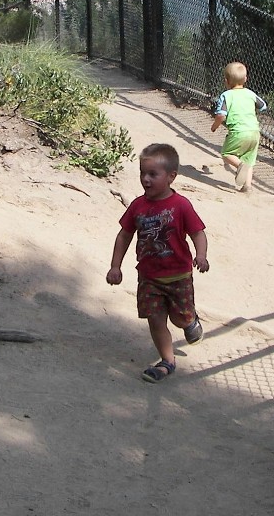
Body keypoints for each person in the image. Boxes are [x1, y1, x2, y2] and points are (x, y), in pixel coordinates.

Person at [106, 143, 209, 383]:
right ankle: (167, 362)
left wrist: (201, 255)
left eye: (153, 174)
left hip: (179, 276)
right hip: (149, 277)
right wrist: (115, 266)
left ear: (172, 176)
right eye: (143, 173)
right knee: (155, 318)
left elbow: (198, 232)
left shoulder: (181, 205)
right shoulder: (137, 206)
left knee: (179, 318)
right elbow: (124, 235)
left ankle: (190, 320)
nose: (146, 179)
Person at [210, 61, 267, 192]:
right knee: (249, 159)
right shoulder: (250, 94)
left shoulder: (226, 95)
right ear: (245, 79)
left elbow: (221, 115)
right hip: (254, 132)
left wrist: (214, 126)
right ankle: (247, 186)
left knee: (226, 153)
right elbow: (263, 106)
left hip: (238, 132)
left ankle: (240, 165)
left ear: (226, 81)